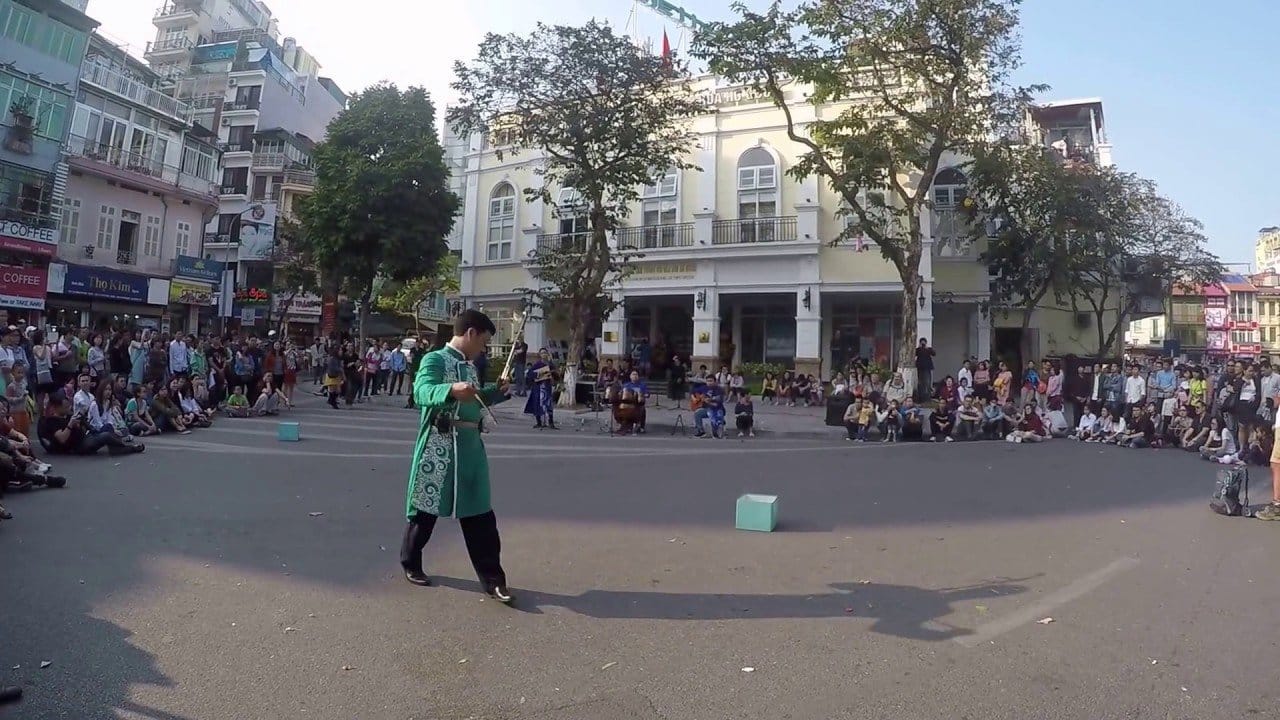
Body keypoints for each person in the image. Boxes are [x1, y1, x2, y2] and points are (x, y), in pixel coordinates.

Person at [399, 310, 515, 602]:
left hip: (469, 446)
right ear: (471, 333)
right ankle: (410, 562)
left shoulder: (471, 367)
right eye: (483, 341)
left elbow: (476, 400)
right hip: (438, 445)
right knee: (425, 511)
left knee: (480, 515)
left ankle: (493, 579)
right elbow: (422, 391)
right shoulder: (434, 360)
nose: (483, 348)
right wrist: (451, 388)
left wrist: (496, 393)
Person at [524, 349, 557, 429]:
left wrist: (552, 375)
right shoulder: (537, 364)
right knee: (538, 405)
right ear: (540, 355)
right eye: (542, 353)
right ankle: (539, 422)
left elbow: (555, 374)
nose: (544, 354)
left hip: (547, 387)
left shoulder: (550, 364)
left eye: (545, 353)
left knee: (548, 404)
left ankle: (551, 422)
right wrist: (539, 374)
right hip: (538, 387)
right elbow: (530, 374)